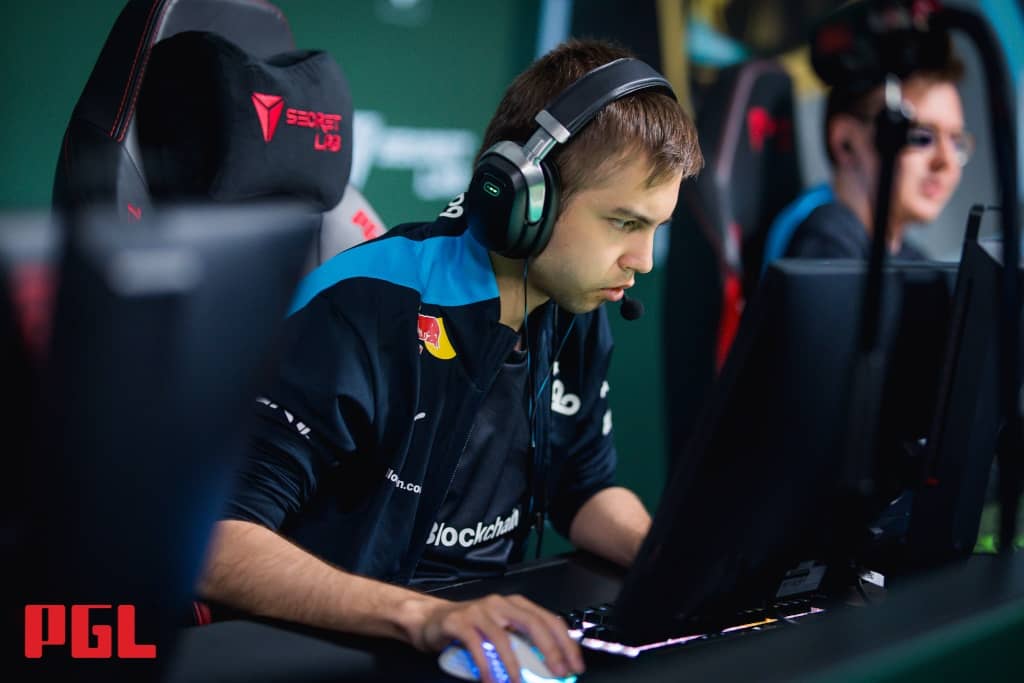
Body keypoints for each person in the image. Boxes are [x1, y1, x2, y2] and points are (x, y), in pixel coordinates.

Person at [197, 39, 702, 682]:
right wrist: (424, 615)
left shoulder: (575, 308)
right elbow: (216, 542)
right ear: (524, 199)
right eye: (624, 223)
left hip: (472, 638)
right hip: (341, 643)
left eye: (656, 227)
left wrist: (672, 564)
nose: (644, 261)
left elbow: (583, 487)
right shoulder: (365, 309)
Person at [782, 53, 971, 259]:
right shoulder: (824, 243)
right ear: (846, 143)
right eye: (921, 137)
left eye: (956, 142)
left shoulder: (909, 257)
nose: (946, 161)